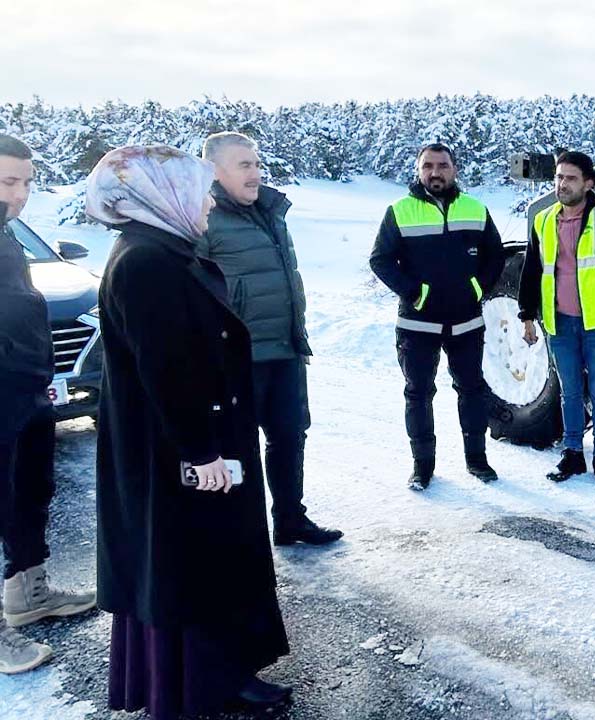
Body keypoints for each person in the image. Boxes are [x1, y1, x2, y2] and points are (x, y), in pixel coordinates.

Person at [89, 145, 291, 717]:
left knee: (201, 564)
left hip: (186, 446)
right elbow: (167, 371)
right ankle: (205, 683)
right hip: (177, 454)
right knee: (193, 568)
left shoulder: (161, 251)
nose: (207, 202)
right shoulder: (146, 263)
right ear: (163, 194)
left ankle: (218, 674)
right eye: (198, 190)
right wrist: (202, 454)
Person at [198, 131, 341, 547]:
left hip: (284, 348)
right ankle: (242, 536)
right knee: (236, 447)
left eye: (257, 164)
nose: (256, 173)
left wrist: (298, 335)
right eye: (245, 165)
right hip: (238, 358)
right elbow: (196, 292)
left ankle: (290, 520)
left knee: (290, 436)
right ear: (214, 170)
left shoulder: (272, 210)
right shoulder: (204, 217)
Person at [0, 133, 96, 675]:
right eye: (9, 182)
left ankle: (28, 591)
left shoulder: (8, 235)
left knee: (29, 491)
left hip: (28, 386)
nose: (20, 195)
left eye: (27, 183)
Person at [370, 143, 505, 489]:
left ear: (454, 169)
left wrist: (477, 288)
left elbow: (495, 256)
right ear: (418, 170)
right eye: (428, 165)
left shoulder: (475, 209)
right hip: (417, 324)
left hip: (467, 322)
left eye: (442, 165)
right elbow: (380, 260)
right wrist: (416, 292)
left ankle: (477, 460)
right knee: (418, 393)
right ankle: (422, 467)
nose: (435, 172)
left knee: (472, 389)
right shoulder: (399, 211)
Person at [517, 152, 595, 484]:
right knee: (569, 391)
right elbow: (531, 271)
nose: (562, 184)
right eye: (558, 177)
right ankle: (572, 455)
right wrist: (526, 314)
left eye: (570, 178)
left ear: (588, 183)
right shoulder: (543, 220)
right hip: (560, 323)